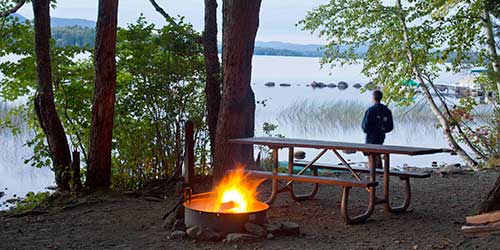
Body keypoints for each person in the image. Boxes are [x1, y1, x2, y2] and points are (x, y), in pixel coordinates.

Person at [361, 90, 393, 168]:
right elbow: (390, 126)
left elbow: (365, 126)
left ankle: (373, 173)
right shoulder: (386, 110)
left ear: (373, 98)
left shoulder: (371, 110)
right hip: (381, 136)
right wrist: (382, 130)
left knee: (371, 154)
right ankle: (379, 172)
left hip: (371, 136)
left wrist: (369, 131)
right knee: (377, 153)